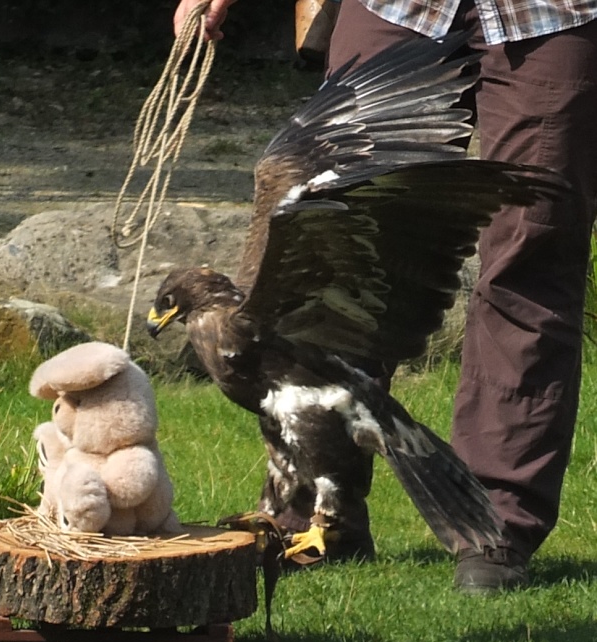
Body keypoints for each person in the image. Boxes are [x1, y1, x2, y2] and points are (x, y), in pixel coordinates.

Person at [172, 0, 597, 593]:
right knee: (330, 205)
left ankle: (493, 526)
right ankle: (317, 515)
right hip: (398, 7)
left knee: (534, 246)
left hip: (552, 12)